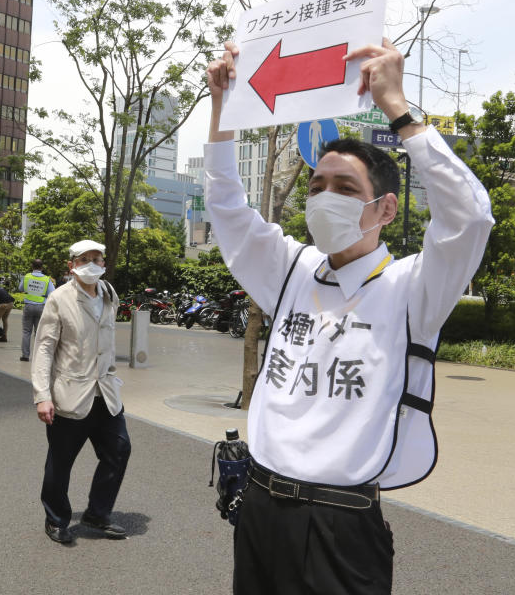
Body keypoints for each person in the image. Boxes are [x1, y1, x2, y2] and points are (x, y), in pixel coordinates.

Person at [204, 40, 494, 594]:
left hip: (341, 526)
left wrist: (398, 109)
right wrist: (223, 110)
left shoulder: (413, 287)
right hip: (258, 508)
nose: (323, 198)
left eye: (344, 189)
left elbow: (470, 218)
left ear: (385, 209)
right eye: (316, 187)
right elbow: (226, 208)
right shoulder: (291, 268)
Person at [32, 240, 131, 544]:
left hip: (105, 391)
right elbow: (45, 348)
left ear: (104, 263)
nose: (91, 264)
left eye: (96, 259)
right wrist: (42, 395)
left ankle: (97, 513)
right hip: (70, 394)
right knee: (61, 461)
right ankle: (56, 518)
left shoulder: (109, 293)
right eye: (83, 259)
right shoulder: (59, 299)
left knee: (119, 450)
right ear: (71, 265)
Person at [19, 259, 55, 362]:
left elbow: (20, 288)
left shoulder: (27, 277)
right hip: (41, 307)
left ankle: (25, 356)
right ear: (42, 267)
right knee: (39, 332)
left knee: (26, 331)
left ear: (32, 266)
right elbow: (52, 293)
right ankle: (38, 356)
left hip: (28, 306)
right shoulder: (47, 280)